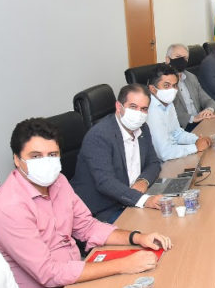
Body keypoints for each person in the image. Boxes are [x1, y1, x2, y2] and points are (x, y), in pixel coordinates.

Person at [0, 118, 173, 288]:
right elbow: (48, 274)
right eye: (36, 156)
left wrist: (138, 237)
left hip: (72, 276)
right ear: (17, 159)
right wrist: (124, 265)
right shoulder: (7, 208)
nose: (45, 162)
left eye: (52, 155)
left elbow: (87, 226)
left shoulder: (58, 181)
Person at [71, 84, 166, 223]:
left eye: (144, 109)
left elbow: (153, 162)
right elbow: (105, 182)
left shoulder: (143, 128)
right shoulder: (99, 135)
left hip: (131, 200)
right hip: (104, 210)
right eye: (133, 107)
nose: (139, 113)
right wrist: (144, 200)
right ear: (118, 106)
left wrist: (143, 181)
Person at [145, 65, 212, 160]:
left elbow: (177, 133)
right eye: (166, 85)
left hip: (174, 154)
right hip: (162, 163)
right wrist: (195, 147)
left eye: (175, 85)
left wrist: (197, 139)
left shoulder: (168, 103)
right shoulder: (151, 111)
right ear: (152, 89)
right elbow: (164, 153)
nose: (172, 90)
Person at [164, 44, 215, 132]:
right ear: (167, 59)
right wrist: (192, 118)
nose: (181, 61)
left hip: (200, 122)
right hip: (182, 128)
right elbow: (168, 111)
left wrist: (208, 110)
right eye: (178, 57)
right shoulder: (163, 83)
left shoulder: (191, 77)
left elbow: (208, 100)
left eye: (185, 58)